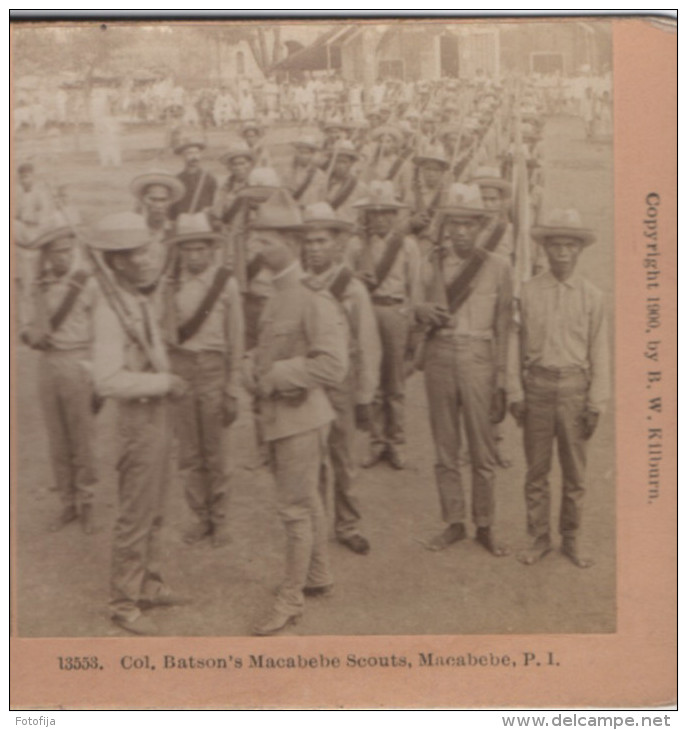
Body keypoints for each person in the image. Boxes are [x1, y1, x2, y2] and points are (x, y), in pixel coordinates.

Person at [243, 190, 348, 635]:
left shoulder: (311, 298)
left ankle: (291, 599)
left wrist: (275, 374)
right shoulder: (278, 291)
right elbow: (272, 346)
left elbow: (333, 364)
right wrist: (253, 365)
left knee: (294, 510)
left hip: (300, 419)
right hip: (286, 418)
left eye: (264, 242)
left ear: (289, 241)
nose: (255, 249)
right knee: (308, 502)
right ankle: (318, 575)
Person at [90, 211, 190, 636]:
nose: (149, 258)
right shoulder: (110, 311)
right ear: (117, 262)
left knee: (158, 509)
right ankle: (123, 600)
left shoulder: (136, 298)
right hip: (138, 419)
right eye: (137, 253)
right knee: (135, 513)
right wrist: (164, 380)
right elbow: (107, 380)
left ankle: (150, 581)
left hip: (159, 414)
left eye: (149, 249)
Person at [415, 184, 512, 556]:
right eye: (454, 223)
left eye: (469, 224)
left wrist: (502, 379)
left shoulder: (498, 266)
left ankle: (485, 524)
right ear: (446, 225)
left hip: (479, 359)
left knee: (482, 450)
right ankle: (454, 522)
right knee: (445, 447)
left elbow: (504, 327)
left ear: (480, 226)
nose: (461, 231)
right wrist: (420, 311)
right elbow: (413, 305)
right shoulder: (431, 262)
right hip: (439, 355)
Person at [509, 209, 609, 569]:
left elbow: (599, 351)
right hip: (536, 385)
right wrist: (514, 393)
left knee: (575, 474)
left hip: (573, 390)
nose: (562, 253)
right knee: (536, 472)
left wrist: (596, 402)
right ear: (545, 249)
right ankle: (538, 538)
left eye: (570, 246)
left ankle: (571, 538)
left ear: (580, 250)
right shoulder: (529, 291)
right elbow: (514, 343)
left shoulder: (591, 296)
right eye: (555, 245)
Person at [301, 202, 382, 556]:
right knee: (311, 457)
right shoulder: (296, 284)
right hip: (307, 382)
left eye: (322, 241)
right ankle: (316, 526)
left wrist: (365, 395)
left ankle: (347, 524)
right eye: (309, 241)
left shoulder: (351, 288)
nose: (315, 248)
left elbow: (367, 344)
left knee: (344, 457)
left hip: (342, 384)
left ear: (336, 244)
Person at [165, 213, 244, 548]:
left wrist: (232, 387)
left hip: (214, 369)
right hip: (182, 369)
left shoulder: (226, 283)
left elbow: (237, 339)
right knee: (189, 451)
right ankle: (199, 516)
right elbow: (166, 335)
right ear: (179, 251)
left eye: (200, 249)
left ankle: (221, 518)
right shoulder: (170, 284)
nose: (194, 256)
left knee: (216, 451)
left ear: (212, 249)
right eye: (188, 249)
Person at [18, 213, 99, 534]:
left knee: (83, 437)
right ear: (47, 255)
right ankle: (67, 502)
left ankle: (88, 501)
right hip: (48, 364)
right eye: (56, 252)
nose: (62, 257)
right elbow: (23, 325)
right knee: (57, 438)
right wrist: (30, 336)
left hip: (78, 361)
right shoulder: (37, 286)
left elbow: (100, 331)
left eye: (67, 250)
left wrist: (95, 373)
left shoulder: (87, 284)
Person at [349, 180, 422, 470]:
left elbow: (415, 286)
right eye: (374, 213)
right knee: (372, 380)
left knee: (395, 383)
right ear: (366, 216)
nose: (379, 218)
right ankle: (376, 441)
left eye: (385, 213)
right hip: (368, 311)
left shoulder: (407, 245)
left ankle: (396, 442)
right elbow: (347, 280)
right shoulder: (357, 245)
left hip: (395, 311)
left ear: (394, 216)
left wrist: (413, 322)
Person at [169, 136, 218, 220]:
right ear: (182, 156)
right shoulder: (176, 180)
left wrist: (210, 210)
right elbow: (172, 208)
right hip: (182, 223)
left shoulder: (209, 178)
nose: (194, 157)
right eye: (189, 153)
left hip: (204, 223)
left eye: (197, 153)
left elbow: (214, 203)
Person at [324, 140, 368, 225]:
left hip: (348, 229)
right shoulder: (323, 183)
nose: (339, 165)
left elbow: (363, 216)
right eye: (336, 161)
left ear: (351, 163)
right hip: (327, 227)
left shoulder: (360, 187)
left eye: (343, 162)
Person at [285, 135, 328, 207]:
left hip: (311, 211)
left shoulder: (319, 175)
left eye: (306, 153)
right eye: (300, 152)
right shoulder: (289, 172)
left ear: (312, 155)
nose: (302, 156)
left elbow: (321, 198)